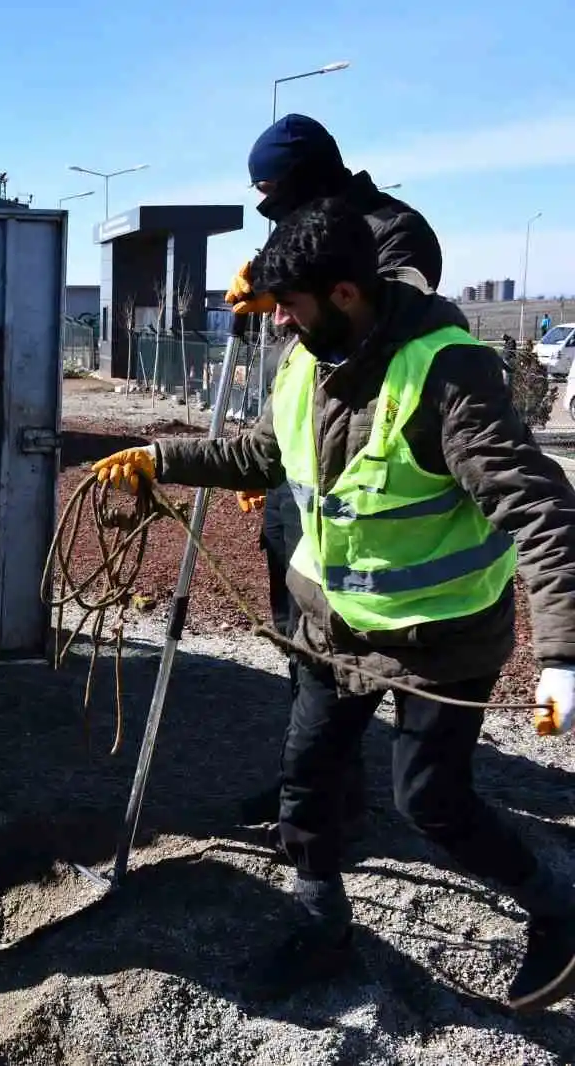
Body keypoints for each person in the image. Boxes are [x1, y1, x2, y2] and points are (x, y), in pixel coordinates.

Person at [92, 198, 575, 1010]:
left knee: (431, 802)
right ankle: (323, 928)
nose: (278, 319)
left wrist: (561, 656)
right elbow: (261, 453)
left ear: (348, 293)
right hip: (332, 629)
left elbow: (543, 513)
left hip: (440, 639)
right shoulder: (304, 359)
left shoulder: (447, 377)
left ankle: (558, 912)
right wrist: (161, 456)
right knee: (306, 782)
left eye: (292, 304)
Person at [226, 113, 446, 834]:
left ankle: (346, 796)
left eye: (273, 198)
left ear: (311, 178)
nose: (270, 214)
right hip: (302, 477)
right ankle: (313, 786)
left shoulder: (396, 232)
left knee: (356, 650)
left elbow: (384, 319)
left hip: (374, 487)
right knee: (302, 643)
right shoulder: (301, 226)